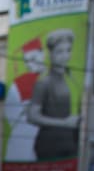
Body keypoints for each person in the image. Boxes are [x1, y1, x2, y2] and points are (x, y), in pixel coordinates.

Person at [26, 28, 79, 161]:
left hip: (71, 145)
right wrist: (64, 123)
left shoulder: (73, 80)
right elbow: (32, 116)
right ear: (50, 54)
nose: (65, 56)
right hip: (49, 146)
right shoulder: (44, 83)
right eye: (59, 51)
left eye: (68, 50)